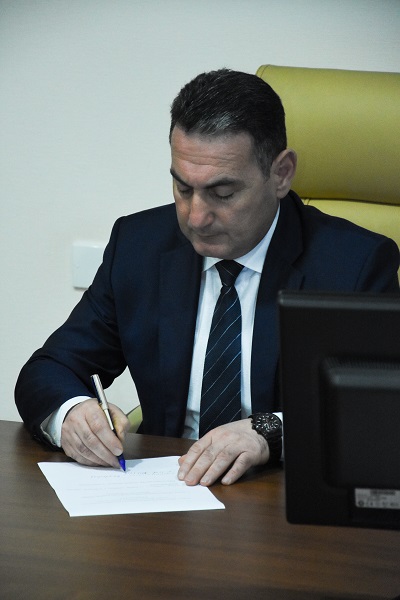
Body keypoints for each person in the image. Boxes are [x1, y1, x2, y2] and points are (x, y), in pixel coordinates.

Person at [15, 69, 400, 487]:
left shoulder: (354, 265)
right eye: (183, 189)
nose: (196, 218)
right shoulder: (139, 246)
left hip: (282, 494)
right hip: (167, 489)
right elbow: (49, 369)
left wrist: (270, 431)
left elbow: (379, 411)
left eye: (223, 193)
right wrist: (71, 414)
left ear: (281, 173)